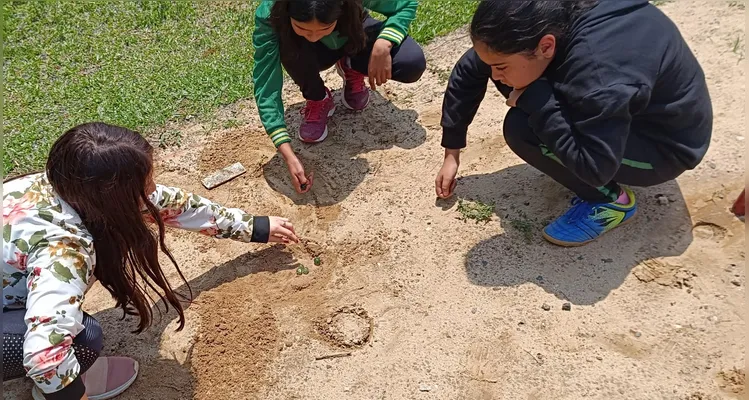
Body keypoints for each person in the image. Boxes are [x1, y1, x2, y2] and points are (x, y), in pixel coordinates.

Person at [2, 123, 299, 400]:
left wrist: (252, 226)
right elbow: (44, 355)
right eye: (147, 184)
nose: (154, 188)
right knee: (84, 339)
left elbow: (167, 203)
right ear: (113, 199)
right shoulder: (65, 252)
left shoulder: (62, 183)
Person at [435, 0, 712, 246]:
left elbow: (596, 166)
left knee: (522, 129)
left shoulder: (597, 73)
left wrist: (538, 101)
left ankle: (612, 202)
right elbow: (471, 68)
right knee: (525, 96)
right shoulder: (548, 17)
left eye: (501, 67)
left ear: (546, 46)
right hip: (629, 110)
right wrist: (452, 151)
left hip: (665, 148)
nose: (494, 75)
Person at [253, 0, 426, 193]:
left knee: (411, 63)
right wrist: (288, 155)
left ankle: (351, 65)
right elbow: (266, 83)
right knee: (287, 45)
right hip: (305, 54)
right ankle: (318, 98)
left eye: (324, 27)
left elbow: (407, 4)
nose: (313, 36)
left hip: (351, 32)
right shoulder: (270, 13)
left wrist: (384, 43)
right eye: (302, 28)